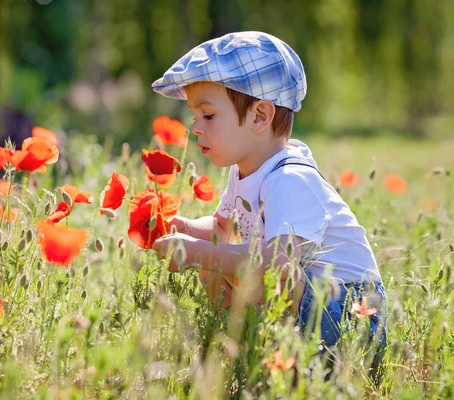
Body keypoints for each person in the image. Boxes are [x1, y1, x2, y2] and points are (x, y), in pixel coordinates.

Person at [150, 31, 387, 362]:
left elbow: (277, 265)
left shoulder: (290, 178)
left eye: (208, 115)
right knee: (215, 264)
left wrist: (197, 252)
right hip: (308, 307)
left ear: (260, 116)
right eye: (195, 115)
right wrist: (185, 229)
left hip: (353, 315)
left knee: (265, 271)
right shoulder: (243, 170)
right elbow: (222, 231)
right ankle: (241, 347)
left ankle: (266, 352)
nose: (195, 127)